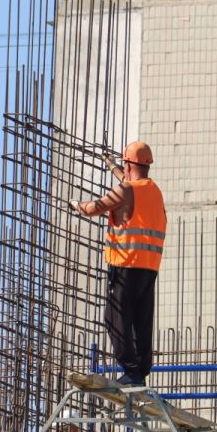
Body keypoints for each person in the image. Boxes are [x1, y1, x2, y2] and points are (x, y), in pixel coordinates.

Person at [69, 141, 167, 385]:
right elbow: (129, 181)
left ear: (129, 164)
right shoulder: (153, 191)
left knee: (116, 318)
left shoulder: (125, 191)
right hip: (149, 267)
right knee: (141, 320)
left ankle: (131, 369)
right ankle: (141, 369)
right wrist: (111, 164)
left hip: (125, 264)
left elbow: (94, 208)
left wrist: (74, 205)